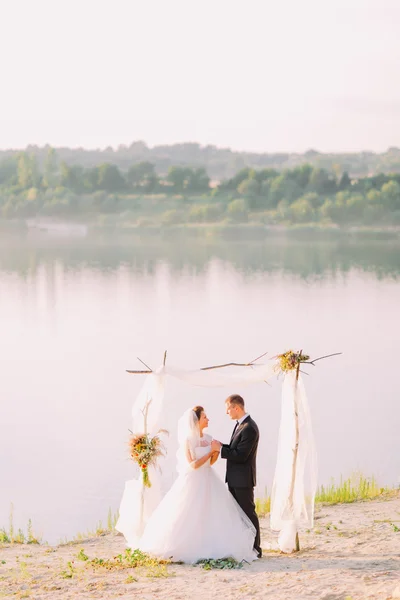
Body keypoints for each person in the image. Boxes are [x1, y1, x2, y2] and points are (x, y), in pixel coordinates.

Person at [138, 406, 258, 564]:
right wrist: (210, 453)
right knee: (189, 510)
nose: (208, 419)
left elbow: (212, 462)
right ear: (197, 420)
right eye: (205, 417)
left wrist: (215, 453)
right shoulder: (188, 441)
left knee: (213, 510)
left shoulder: (209, 438)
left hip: (209, 477)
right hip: (194, 479)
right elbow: (193, 465)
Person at [213, 394, 262, 558]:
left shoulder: (249, 428)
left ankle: (256, 548)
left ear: (236, 407)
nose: (227, 412)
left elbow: (241, 455)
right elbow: (235, 448)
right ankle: (245, 545)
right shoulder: (240, 425)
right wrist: (221, 446)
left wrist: (220, 450)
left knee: (248, 513)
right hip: (235, 478)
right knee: (239, 515)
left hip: (243, 479)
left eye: (228, 408)